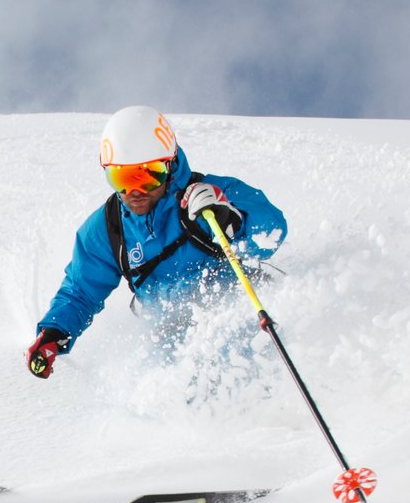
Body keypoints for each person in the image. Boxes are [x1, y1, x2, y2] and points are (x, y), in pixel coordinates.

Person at [27, 105, 287, 379]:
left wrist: (234, 219)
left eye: (148, 176)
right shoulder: (108, 228)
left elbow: (273, 232)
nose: (135, 192)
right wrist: (54, 333)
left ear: (170, 166)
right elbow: (81, 291)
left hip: (242, 316)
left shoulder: (210, 197)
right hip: (173, 342)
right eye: (122, 178)